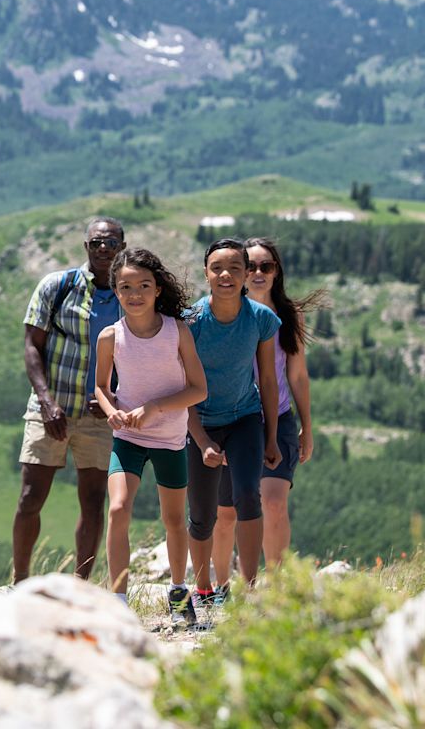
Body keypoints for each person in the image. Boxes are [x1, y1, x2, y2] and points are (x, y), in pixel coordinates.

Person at [93, 248, 207, 625]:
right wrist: (112, 413)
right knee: (117, 508)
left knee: (173, 520)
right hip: (128, 438)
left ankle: (177, 591)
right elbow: (100, 387)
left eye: (143, 285)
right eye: (125, 287)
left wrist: (156, 408)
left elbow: (198, 390)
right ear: (116, 292)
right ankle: (118, 601)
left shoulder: (178, 332)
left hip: (170, 438)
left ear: (158, 288)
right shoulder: (110, 337)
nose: (135, 293)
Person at [12, 216, 126, 582]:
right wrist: (45, 401)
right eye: (97, 243)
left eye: (111, 243)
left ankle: (80, 585)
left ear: (122, 247)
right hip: (50, 410)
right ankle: (21, 581)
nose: (104, 249)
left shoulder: (131, 293)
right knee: (30, 497)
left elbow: (140, 354)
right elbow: (32, 345)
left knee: (93, 503)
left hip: (99, 418)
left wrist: (114, 398)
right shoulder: (56, 286)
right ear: (86, 247)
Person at [212, 236, 323, 586]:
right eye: (253, 266)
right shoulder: (227, 313)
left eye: (267, 266)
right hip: (231, 420)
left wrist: (307, 427)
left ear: (277, 272)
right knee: (227, 513)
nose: (259, 272)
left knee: (274, 503)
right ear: (242, 271)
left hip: (280, 419)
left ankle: (274, 589)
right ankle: (220, 588)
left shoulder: (291, 317)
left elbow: (298, 375)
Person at [185, 238, 282, 615]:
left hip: (244, 418)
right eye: (217, 268)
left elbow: (269, 381)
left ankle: (250, 588)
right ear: (207, 273)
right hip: (201, 421)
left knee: (246, 496)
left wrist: (271, 435)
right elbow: (183, 386)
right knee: (203, 513)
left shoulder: (260, 318)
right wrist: (202, 439)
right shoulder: (191, 322)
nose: (226, 275)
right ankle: (205, 589)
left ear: (245, 275)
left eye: (235, 269)